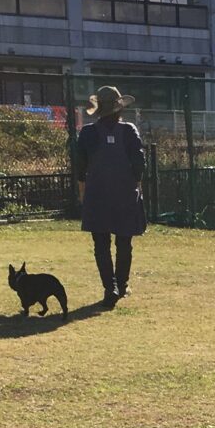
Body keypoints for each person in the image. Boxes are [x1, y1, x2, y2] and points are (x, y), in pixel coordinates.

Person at [73, 86, 145, 307]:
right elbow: (139, 163)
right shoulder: (129, 130)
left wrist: (83, 192)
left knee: (101, 243)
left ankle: (109, 286)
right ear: (119, 108)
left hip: (97, 193)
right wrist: (137, 185)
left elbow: (80, 166)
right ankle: (121, 284)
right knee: (124, 242)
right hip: (124, 192)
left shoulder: (87, 133)